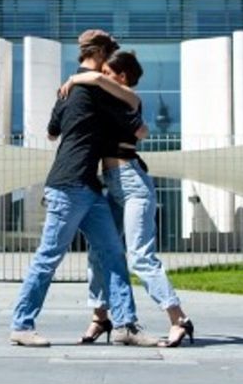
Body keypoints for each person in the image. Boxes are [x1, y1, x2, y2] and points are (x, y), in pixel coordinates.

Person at [9, 30, 159, 347]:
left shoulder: (67, 90)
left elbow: (52, 133)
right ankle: (21, 325)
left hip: (87, 187)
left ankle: (125, 326)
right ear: (101, 52)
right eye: (110, 54)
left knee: (113, 254)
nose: (112, 65)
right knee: (48, 257)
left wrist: (74, 86)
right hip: (70, 185)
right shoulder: (101, 91)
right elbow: (139, 124)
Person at [61, 49, 195, 347]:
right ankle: (100, 317)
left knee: (140, 257)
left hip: (134, 184)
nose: (102, 79)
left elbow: (139, 127)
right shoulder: (110, 101)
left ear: (121, 77)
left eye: (109, 74)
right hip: (112, 185)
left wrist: (77, 77)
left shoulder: (126, 99)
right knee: (99, 251)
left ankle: (179, 319)